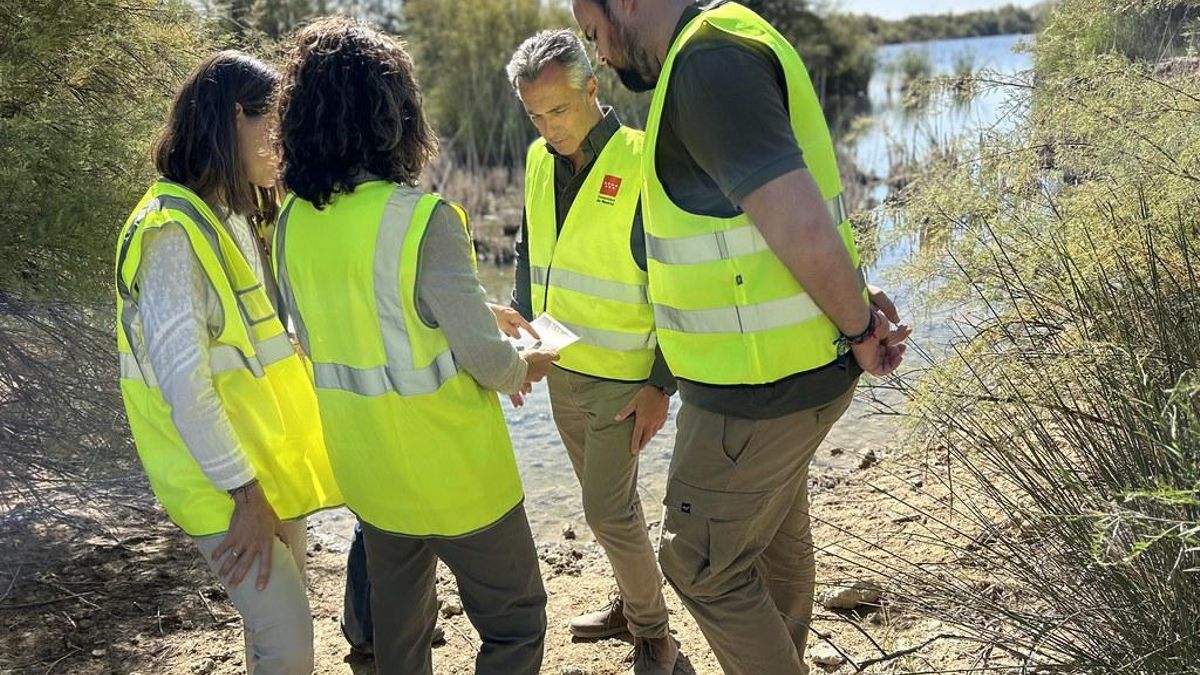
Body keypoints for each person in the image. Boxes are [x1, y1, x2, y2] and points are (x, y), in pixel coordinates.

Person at [570, 1, 912, 673]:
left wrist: (861, 324)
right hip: (795, 368)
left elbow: (802, 228)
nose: (600, 56)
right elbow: (785, 209)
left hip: (758, 390)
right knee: (773, 535)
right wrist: (854, 303)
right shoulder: (726, 39)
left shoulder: (707, 66)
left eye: (595, 33)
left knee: (697, 562)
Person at [272, 17, 554, 675]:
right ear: (395, 116)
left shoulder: (290, 225)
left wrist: (473, 309)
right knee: (515, 626)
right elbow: (489, 364)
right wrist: (528, 362)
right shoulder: (423, 219)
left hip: (372, 473)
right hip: (460, 476)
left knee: (399, 644)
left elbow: (340, 324)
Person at [114, 51, 342, 674]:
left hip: (259, 471)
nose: (284, 147)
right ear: (234, 117)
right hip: (220, 483)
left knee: (273, 640)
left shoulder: (232, 214)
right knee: (288, 642)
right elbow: (184, 383)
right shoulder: (170, 231)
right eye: (275, 127)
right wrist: (244, 494)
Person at [505, 29, 678, 674]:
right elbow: (530, 252)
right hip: (559, 371)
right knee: (612, 507)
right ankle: (632, 603)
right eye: (535, 114)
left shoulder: (643, 160)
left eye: (559, 110)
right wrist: (522, 332)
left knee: (606, 510)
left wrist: (662, 382)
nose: (548, 127)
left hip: (623, 378)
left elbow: (677, 276)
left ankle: (654, 630)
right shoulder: (534, 160)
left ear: (592, 89)